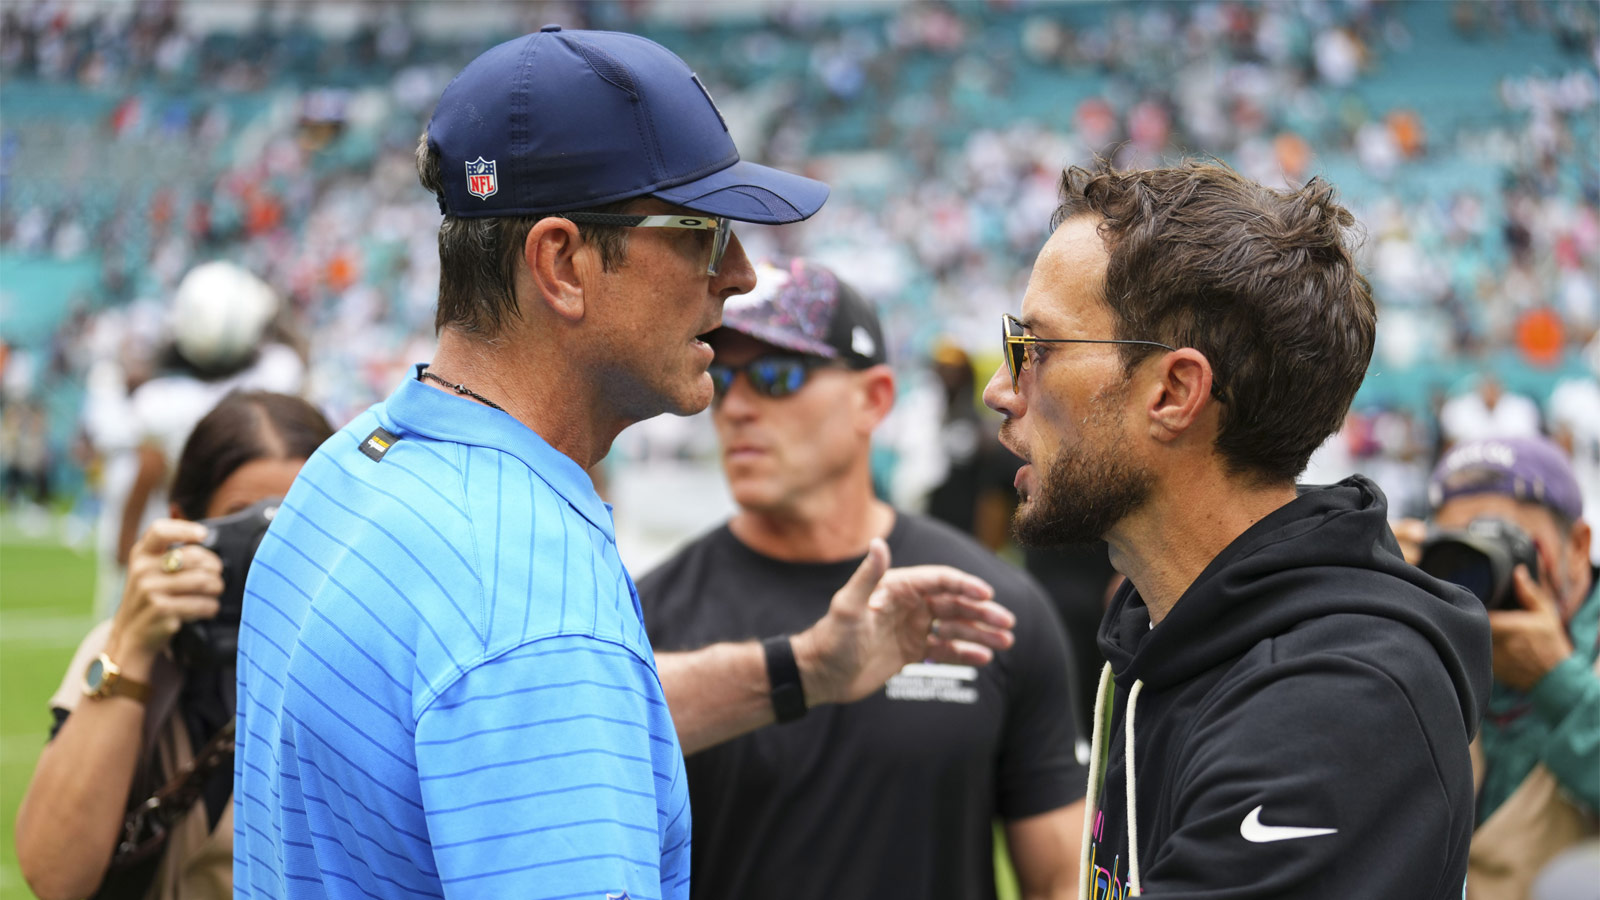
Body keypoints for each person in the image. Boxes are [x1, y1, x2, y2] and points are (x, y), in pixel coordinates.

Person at [233, 28, 1013, 900]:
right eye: (705, 232)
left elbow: (519, 722)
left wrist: (803, 669)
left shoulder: (352, 467)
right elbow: (537, 673)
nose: (744, 275)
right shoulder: (527, 591)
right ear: (562, 263)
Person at [981, 160, 1491, 898]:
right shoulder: (1166, 638)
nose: (1002, 388)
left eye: (1037, 349)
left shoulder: (1336, 704)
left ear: (1175, 392)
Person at [639, 259, 1087, 900]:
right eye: (723, 376)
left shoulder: (985, 608)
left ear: (873, 399)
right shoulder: (647, 619)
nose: (734, 406)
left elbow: (1057, 878)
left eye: (774, 375)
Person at [16, 391, 332, 900]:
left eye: (298, 522)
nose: (270, 555)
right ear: (186, 524)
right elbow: (54, 876)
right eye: (245, 522)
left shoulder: (355, 659)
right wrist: (132, 647)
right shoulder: (139, 651)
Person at [1424, 436, 1598, 900]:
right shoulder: (1422, 641)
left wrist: (1559, 681)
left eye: (1506, 542)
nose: (1478, 574)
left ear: (1578, 547)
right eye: (1461, 550)